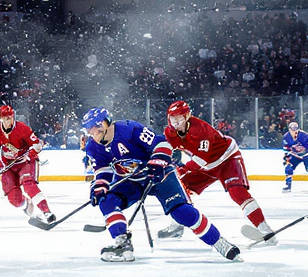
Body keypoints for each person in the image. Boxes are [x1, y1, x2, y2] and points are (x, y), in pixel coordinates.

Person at [81, 108, 240, 263]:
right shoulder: (93, 147)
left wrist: (157, 162)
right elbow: (103, 170)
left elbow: (162, 143)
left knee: (182, 213)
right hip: (131, 180)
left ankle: (218, 241)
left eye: (91, 128)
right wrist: (100, 186)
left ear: (102, 125)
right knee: (107, 200)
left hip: (160, 174)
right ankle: (122, 242)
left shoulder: (130, 130)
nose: (89, 132)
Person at [161, 101, 272, 241]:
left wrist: (181, 170)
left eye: (179, 118)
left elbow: (202, 160)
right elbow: (169, 150)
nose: (176, 123)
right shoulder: (169, 132)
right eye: (173, 118)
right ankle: (177, 225)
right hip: (206, 166)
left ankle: (265, 230)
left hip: (227, 159)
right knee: (179, 189)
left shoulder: (200, 129)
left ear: (187, 116)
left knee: (237, 192)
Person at [0, 105, 54, 226]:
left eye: (9, 118)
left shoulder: (23, 128)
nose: (7, 122)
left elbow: (37, 144)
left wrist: (31, 152)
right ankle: (26, 204)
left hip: (25, 162)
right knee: (15, 200)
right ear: (0, 119)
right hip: (8, 165)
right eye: (4, 119)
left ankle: (46, 212)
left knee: (28, 184)